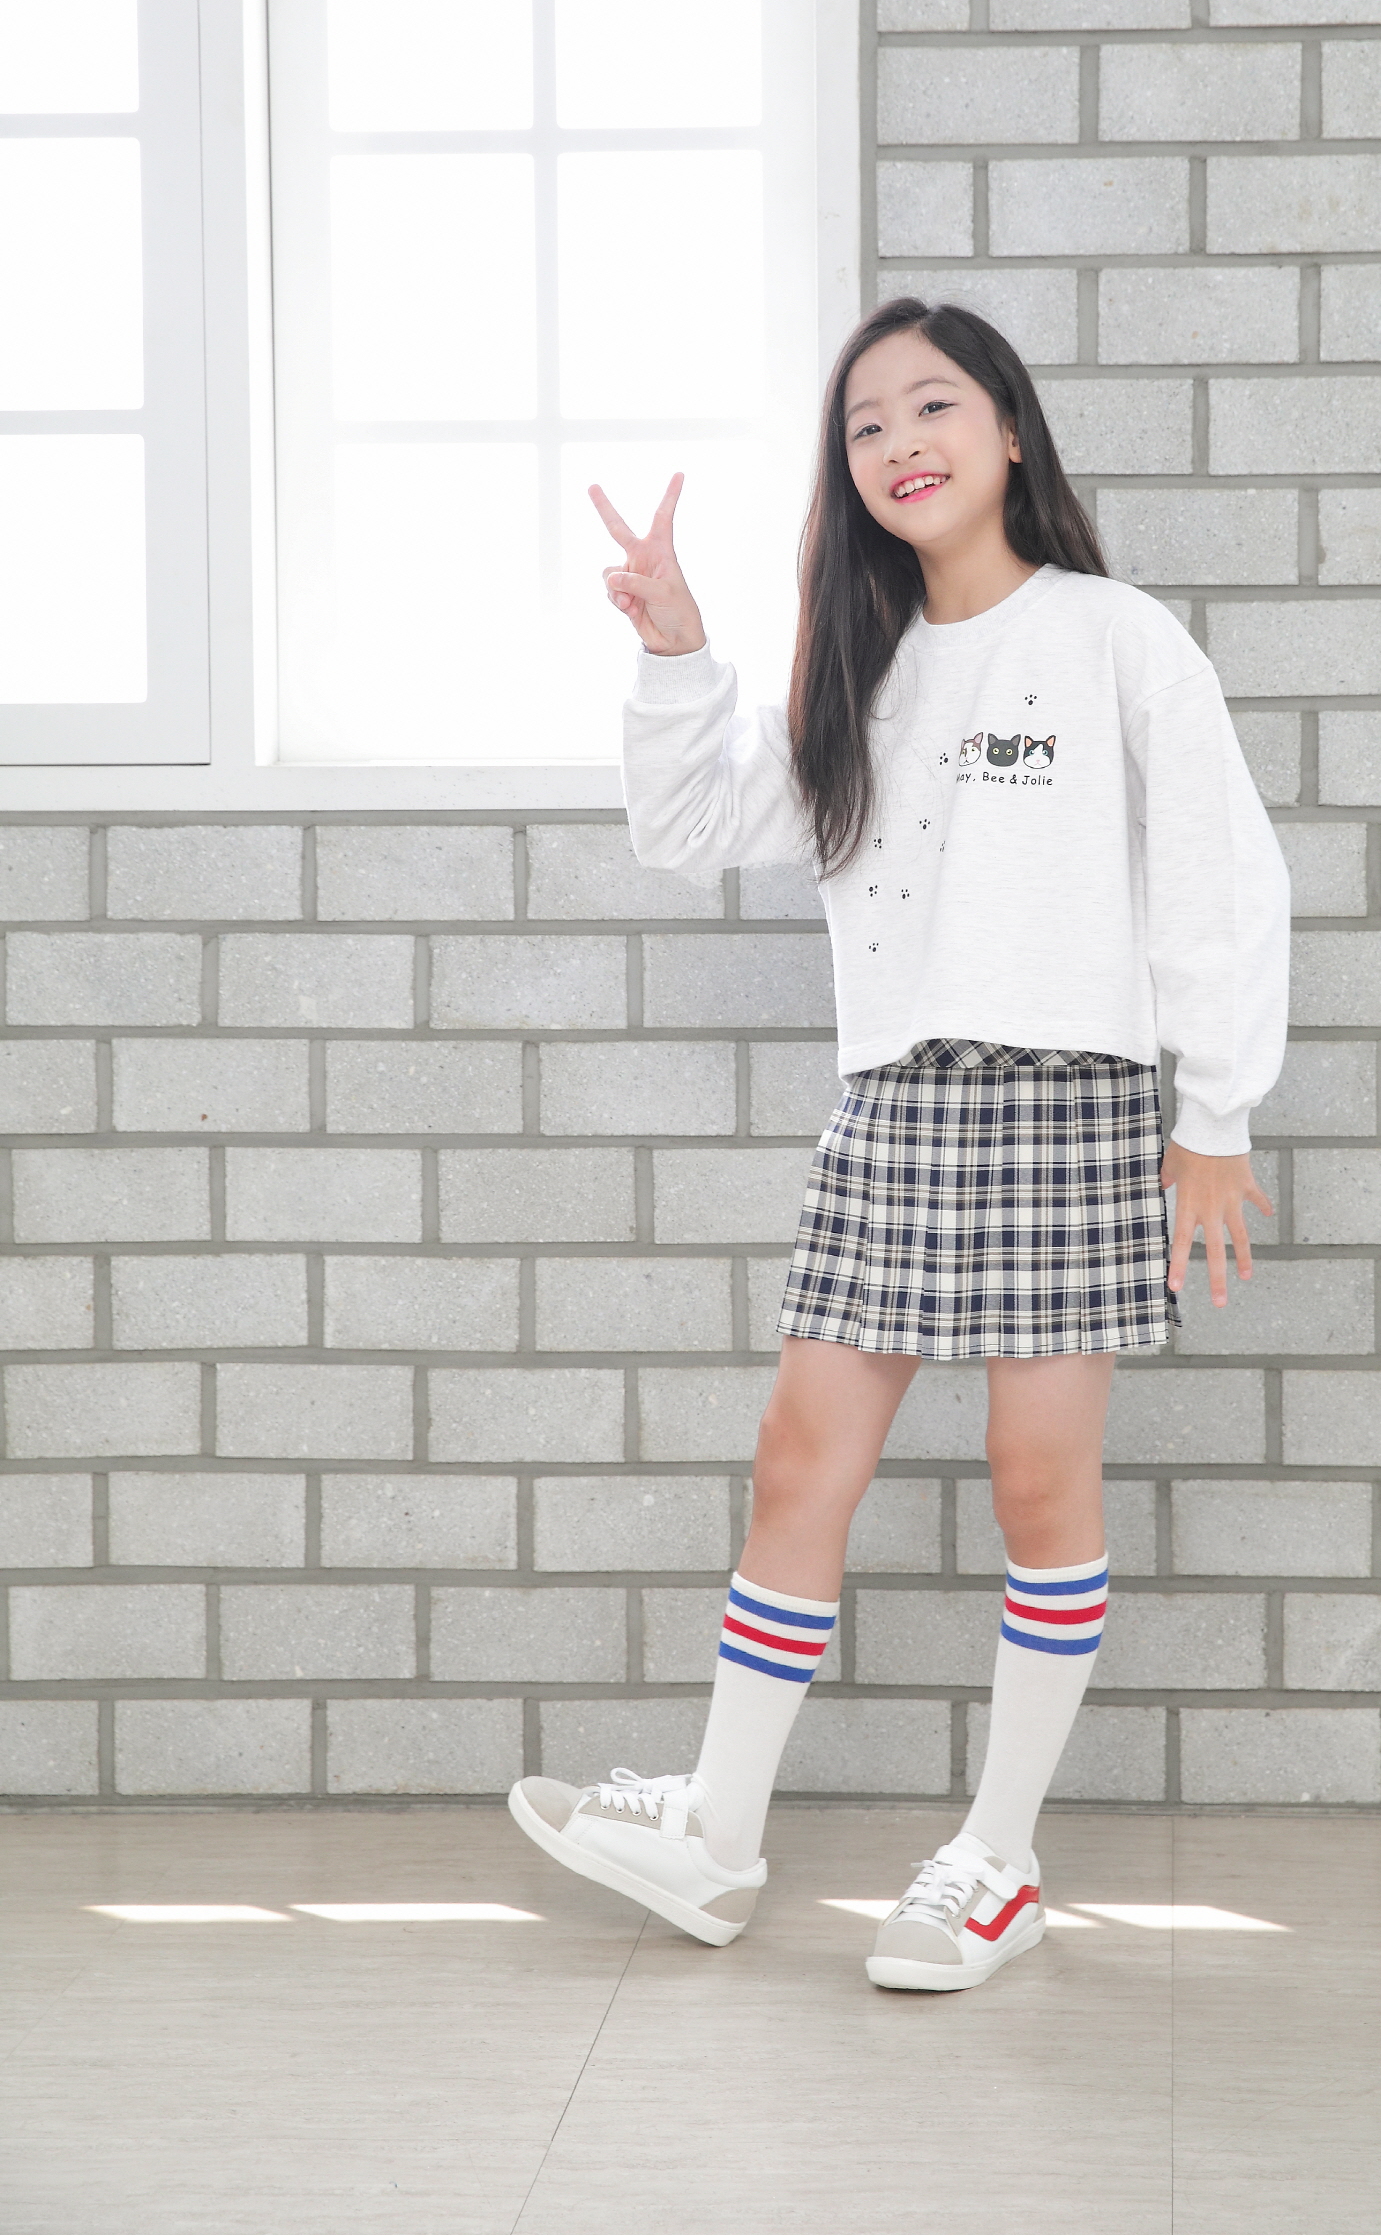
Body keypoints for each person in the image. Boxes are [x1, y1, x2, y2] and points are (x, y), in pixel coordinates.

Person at [508, 296, 1289, 1994]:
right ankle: (717, 1832)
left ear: (1008, 430)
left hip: (1072, 1101)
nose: (899, 443)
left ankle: (998, 1859)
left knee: (1038, 1482)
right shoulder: (855, 670)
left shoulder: (1115, 637)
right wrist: (676, 651)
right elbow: (690, 827)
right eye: (865, 425)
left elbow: (1218, 872)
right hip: (894, 1102)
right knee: (800, 1462)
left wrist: (1214, 1117)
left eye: (932, 406)